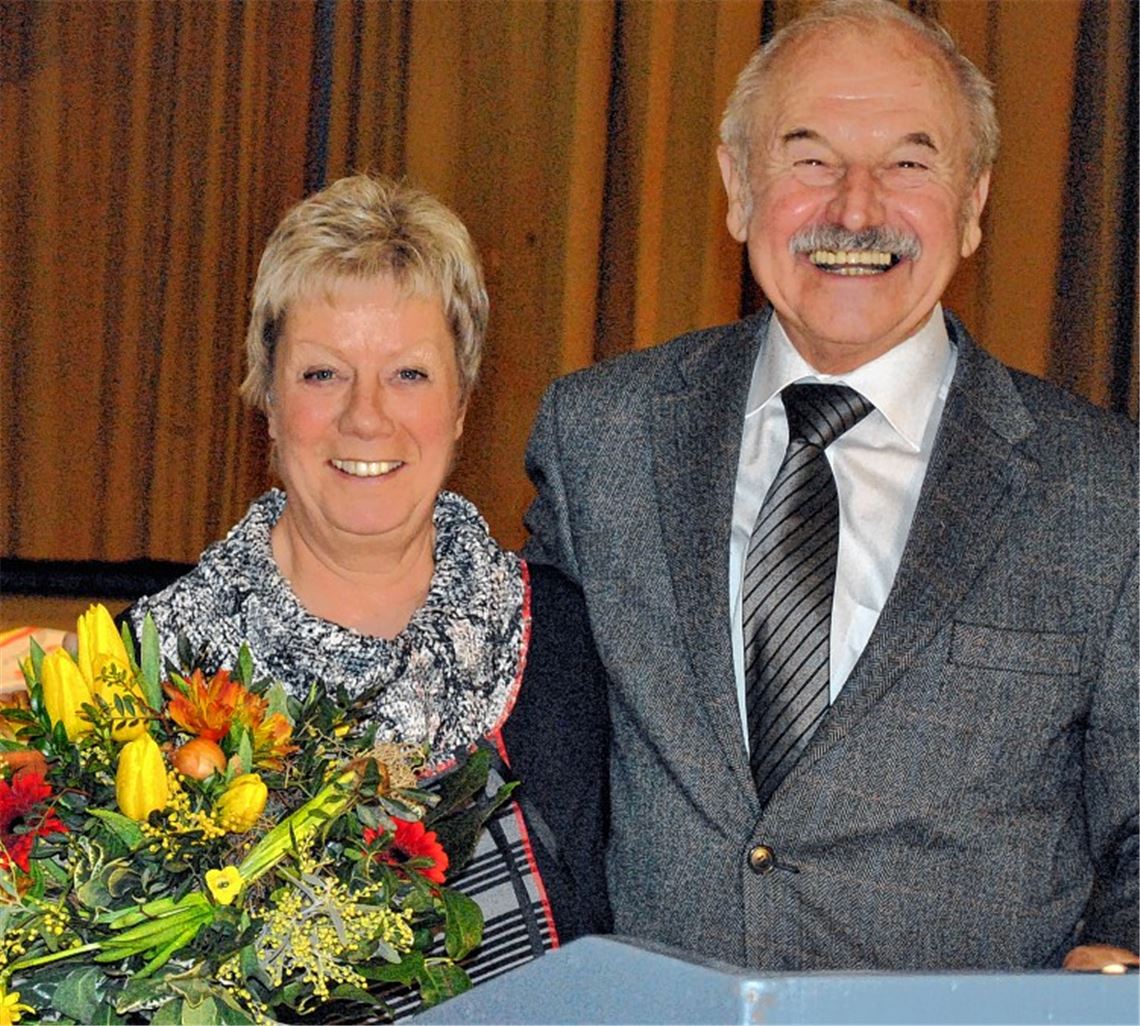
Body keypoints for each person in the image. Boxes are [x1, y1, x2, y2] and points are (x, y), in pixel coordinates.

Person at [523, 0, 1137, 973]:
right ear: (737, 188)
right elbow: (539, 777)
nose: (856, 210)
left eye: (908, 162)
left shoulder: (1109, 492)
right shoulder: (602, 436)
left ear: (974, 203)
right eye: (810, 159)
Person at [128, 173, 611, 1012]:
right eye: (322, 375)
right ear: (266, 398)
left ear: (463, 403)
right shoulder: (152, 670)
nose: (366, 418)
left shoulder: (566, 639)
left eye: (409, 376)